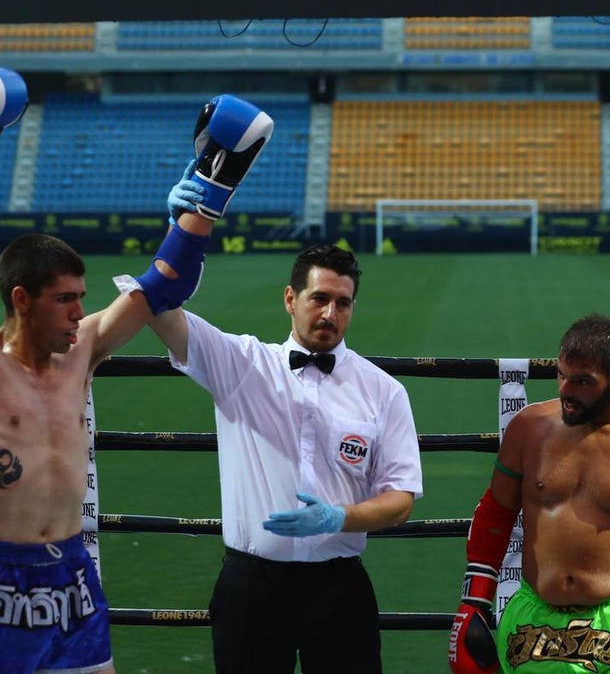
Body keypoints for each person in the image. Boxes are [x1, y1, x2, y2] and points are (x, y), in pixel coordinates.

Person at [0, 66, 273, 674]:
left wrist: (210, 189)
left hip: (71, 576)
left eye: (83, 298)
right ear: (22, 299)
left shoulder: (81, 349)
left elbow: (164, 286)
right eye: (67, 300)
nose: (82, 313)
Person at [137, 209, 424, 672]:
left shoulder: (385, 391)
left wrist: (338, 518)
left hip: (339, 589)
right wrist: (183, 225)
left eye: (343, 303)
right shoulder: (241, 363)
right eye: (319, 298)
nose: (331, 313)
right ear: (290, 298)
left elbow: (400, 500)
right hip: (251, 587)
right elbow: (157, 303)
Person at [448, 313, 610, 674]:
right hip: (531, 620)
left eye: (583, 381)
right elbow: (496, 515)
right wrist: (473, 602)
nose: (565, 391)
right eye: (561, 375)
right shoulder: (528, 429)